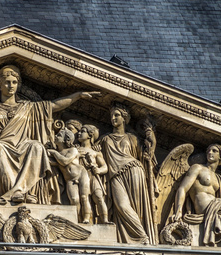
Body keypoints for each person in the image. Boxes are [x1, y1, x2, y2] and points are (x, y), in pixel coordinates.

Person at [0, 65, 99, 204]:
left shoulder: (30, 107)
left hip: (23, 145)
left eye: (14, 82)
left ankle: (20, 191)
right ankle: (11, 192)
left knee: (36, 146)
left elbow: (55, 105)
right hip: (0, 145)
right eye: (6, 82)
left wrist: (77, 96)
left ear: (18, 85)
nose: (11, 86)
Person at [99, 104, 157, 244]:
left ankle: (143, 240)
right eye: (112, 116)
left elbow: (146, 156)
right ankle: (141, 237)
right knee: (122, 205)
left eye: (117, 115)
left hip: (134, 171)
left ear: (124, 118)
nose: (113, 118)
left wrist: (151, 138)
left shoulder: (132, 138)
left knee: (137, 210)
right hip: (115, 176)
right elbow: (90, 148)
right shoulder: (105, 139)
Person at [173, 144, 221, 246]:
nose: (210, 153)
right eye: (208, 151)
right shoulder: (198, 168)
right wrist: (179, 210)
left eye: (214, 151)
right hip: (207, 208)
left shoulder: (219, 178)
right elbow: (183, 188)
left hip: (217, 206)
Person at [48, 128, 92, 223]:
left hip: (81, 174)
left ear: (66, 139)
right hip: (69, 179)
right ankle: (78, 219)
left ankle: (87, 218)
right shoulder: (57, 154)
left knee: (84, 197)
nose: (55, 136)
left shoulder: (73, 150)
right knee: (74, 199)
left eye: (59, 135)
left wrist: (53, 152)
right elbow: (52, 162)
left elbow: (64, 161)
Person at [78, 124, 111, 224]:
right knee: (84, 197)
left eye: (82, 131)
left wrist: (99, 170)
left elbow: (105, 167)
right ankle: (86, 218)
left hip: (93, 176)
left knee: (99, 197)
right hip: (82, 177)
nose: (79, 133)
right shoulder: (76, 150)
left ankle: (105, 219)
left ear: (90, 135)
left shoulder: (95, 152)